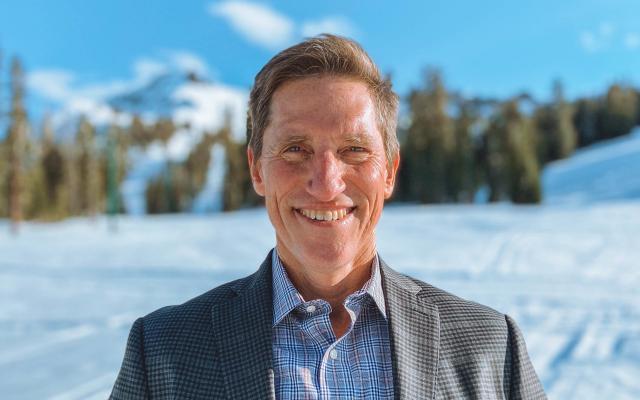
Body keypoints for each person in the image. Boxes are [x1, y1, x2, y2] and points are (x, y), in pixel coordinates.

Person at [110, 34, 546, 399]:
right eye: (295, 149)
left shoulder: (490, 346)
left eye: (354, 150)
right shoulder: (165, 351)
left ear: (390, 172)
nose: (326, 181)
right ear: (257, 170)